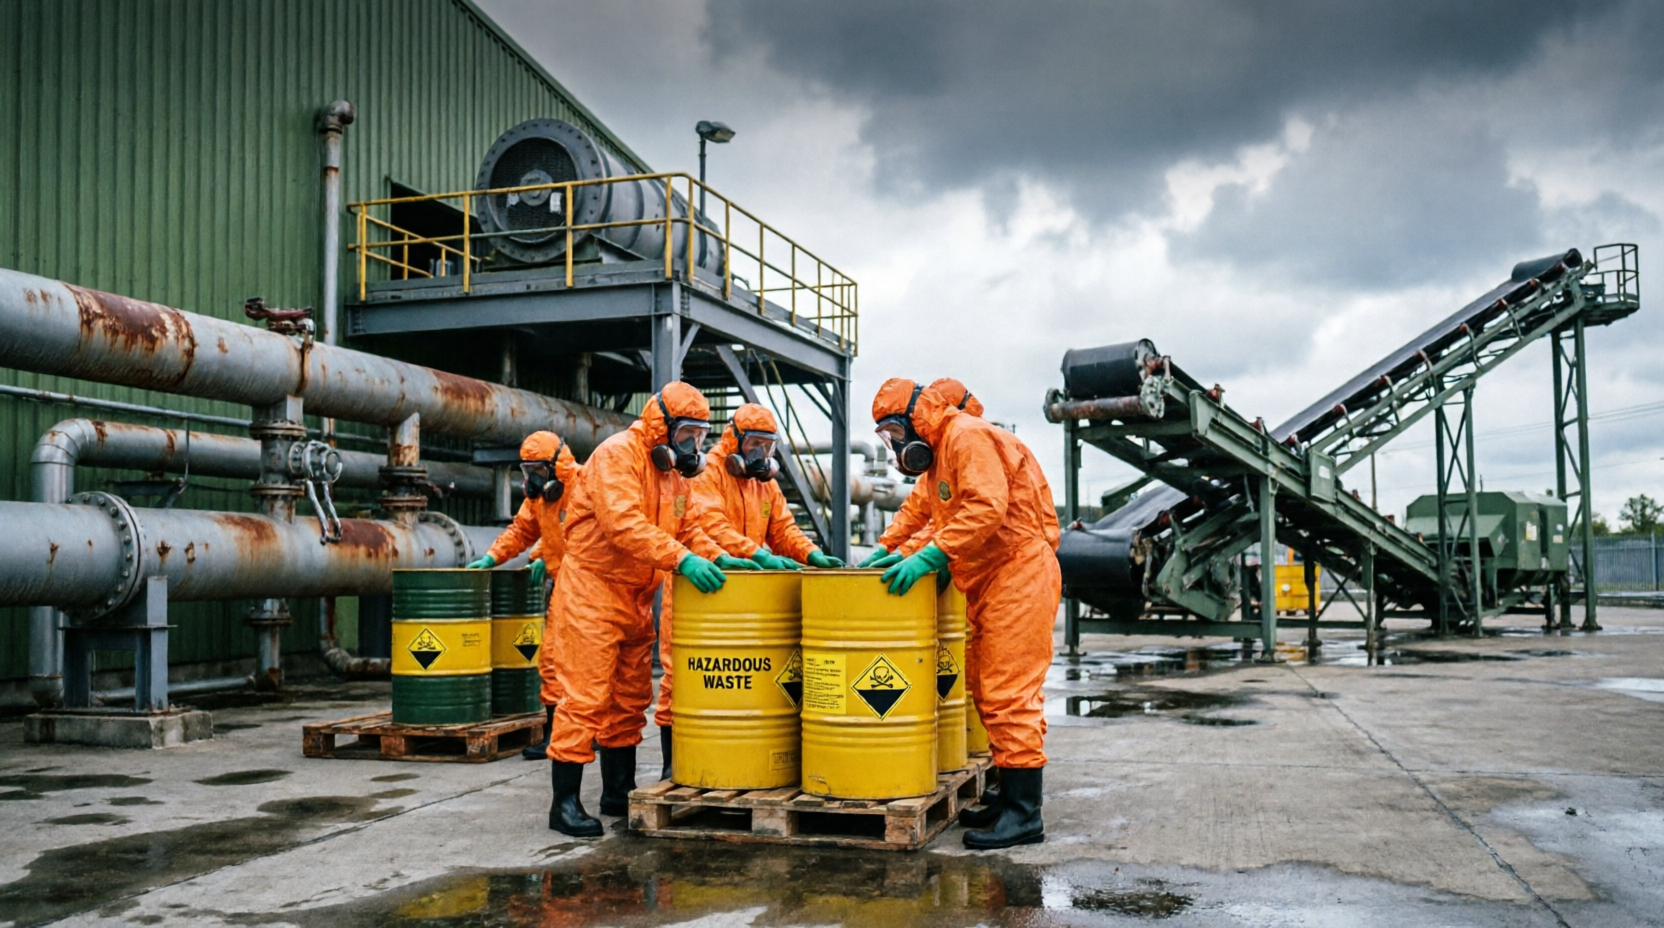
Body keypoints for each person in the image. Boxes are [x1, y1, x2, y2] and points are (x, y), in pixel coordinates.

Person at [543, 382, 759, 837]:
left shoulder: (673, 475)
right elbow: (624, 525)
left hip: (636, 596)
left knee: (628, 699)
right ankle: (563, 804)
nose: (693, 447)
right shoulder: (616, 455)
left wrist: (721, 556)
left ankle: (616, 791)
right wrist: (682, 559)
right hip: (592, 592)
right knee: (584, 699)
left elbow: (689, 528)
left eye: (701, 437)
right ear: (663, 427)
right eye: (687, 435)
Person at [868, 377, 1061, 849]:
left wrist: (929, 557)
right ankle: (1007, 793)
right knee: (983, 684)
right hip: (990, 577)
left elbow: (985, 508)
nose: (896, 446)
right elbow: (934, 517)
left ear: (917, 417)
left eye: (895, 433)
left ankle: (1024, 814)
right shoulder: (941, 459)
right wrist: (897, 549)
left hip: (1017, 571)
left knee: (1008, 691)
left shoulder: (967, 436)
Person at [641, 403, 847, 780]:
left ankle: (741, 751)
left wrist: (812, 554)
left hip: (751, 598)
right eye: (754, 443)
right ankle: (675, 762)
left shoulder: (763, 483)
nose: (760, 454)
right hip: (702, 587)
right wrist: (756, 554)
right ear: (734, 438)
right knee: (682, 675)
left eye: (767, 447)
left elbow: (784, 529)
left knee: (748, 676)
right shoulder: (709, 474)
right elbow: (708, 525)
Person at [465, 431, 581, 760]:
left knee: (571, 661)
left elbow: (587, 534)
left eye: (538, 471)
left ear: (557, 466)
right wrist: (492, 557)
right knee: (560, 661)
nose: (532, 479)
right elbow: (522, 530)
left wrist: (545, 555)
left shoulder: (585, 486)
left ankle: (578, 734)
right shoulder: (539, 498)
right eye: (528, 471)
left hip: (590, 585)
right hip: (567, 584)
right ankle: (561, 733)